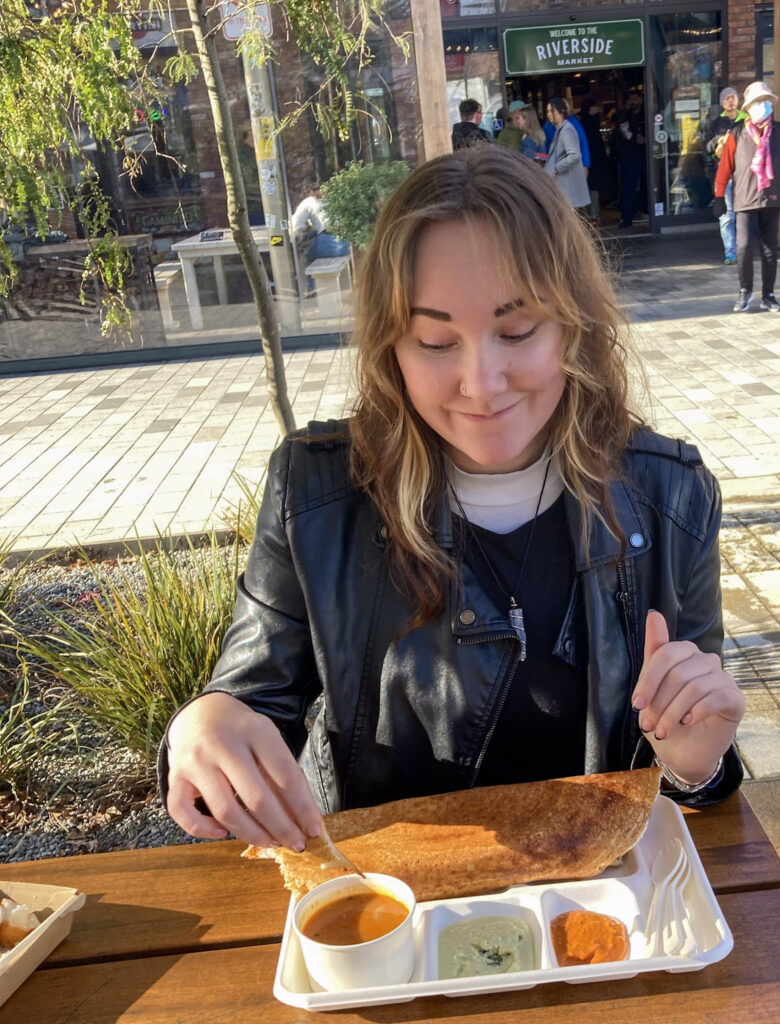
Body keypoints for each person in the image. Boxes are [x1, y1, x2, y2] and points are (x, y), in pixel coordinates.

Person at [160, 144, 745, 852]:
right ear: (391, 349)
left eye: (517, 330)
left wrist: (695, 765)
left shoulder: (671, 498)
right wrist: (205, 725)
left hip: (597, 919)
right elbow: (251, 700)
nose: (482, 381)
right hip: (391, 921)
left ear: (573, 325)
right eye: (436, 340)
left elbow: (695, 745)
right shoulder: (314, 496)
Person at [713, 82, 780, 314]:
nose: (763, 106)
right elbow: (724, 168)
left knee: (769, 249)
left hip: (771, 197)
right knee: (744, 247)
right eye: (758, 102)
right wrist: (719, 197)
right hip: (744, 199)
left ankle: (768, 294)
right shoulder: (736, 133)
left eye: (766, 101)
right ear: (748, 107)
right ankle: (744, 291)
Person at [703, 87, 747, 264]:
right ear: (722, 103)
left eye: (733, 97)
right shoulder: (716, 124)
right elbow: (706, 149)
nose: (731, 101)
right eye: (727, 98)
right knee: (727, 217)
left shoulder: (747, 120)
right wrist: (718, 141)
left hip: (744, 174)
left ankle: (745, 250)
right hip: (725, 176)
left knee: (745, 214)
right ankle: (731, 253)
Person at [290, 183, 351, 295]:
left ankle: (312, 290)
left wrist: (300, 233)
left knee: (307, 256)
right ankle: (343, 287)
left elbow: (297, 225)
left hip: (327, 244)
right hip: (344, 245)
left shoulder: (309, 202)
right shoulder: (338, 196)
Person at [544, 97, 591, 216]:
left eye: (552, 111)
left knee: (567, 220)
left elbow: (574, 155)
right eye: (548, 111)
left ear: (561, 112)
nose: (549, 114)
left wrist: (556, 168)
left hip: (566, 186)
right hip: (563, 185)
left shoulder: (566, 130)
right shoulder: (561, 130)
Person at [613, 90, 647, 229]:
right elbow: (622, 133)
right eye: (631, 99)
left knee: (647, 184)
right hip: (629, 156)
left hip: (645, 155)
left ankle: (646, 211)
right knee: (628, 187)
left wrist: (646, 139)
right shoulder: (624, 116)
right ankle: (627, 217)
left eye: (636, 98)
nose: (634, 101)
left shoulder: (647, 113)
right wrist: (633, 138)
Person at [579, 97, 613, 225]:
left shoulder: (583, 121)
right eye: (596, 106)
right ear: (591, 108)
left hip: (590, 160)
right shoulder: (590, 122)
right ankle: (593, 215)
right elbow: (593, 144)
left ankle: (589, 215)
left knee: (588, 187)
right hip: (593, 160)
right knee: (593, 187)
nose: (598, 108)